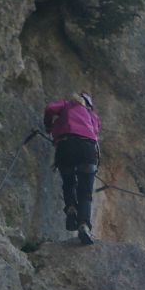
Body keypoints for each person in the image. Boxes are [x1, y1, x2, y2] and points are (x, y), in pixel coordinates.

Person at [43, 91, 101, 245]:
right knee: (85, 191)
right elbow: (95, 132)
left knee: (68, 182)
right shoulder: (92, 115)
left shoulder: (66, 105)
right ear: (89, 104)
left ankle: (70, 208)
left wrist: (49, 126)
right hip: (87, 148)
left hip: (65, 145)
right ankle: (84, 225)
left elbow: (49, 108)